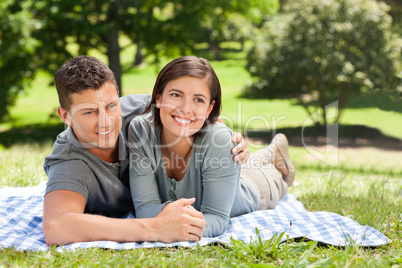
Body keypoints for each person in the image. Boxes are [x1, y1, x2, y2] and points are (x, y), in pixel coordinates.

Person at [42, 56, 250, 246]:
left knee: (261, 180)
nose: (105, 122)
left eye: (112, 106)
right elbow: (56, 227)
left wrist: (225, 136)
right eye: (89, 112)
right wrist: (155, 228)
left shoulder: (136, 110)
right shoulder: (69, 161)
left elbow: (188, 112)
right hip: (174, 194)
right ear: (65, 116)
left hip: (221, 181)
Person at [128, 56, 296, 238]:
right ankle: (271, 151)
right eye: (176, 95)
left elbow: (216, 219)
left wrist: (173, 223)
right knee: (241, 164)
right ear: (159, 98)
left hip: (256, 188)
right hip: (225, 169)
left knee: (267, 177)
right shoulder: (140, 130)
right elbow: (144, 209)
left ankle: (273, 153)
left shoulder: (220, 141)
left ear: (209, 109)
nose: (186, 109)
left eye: (198, 100)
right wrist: (168, 216)